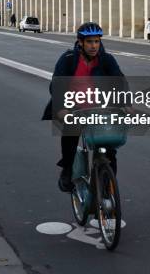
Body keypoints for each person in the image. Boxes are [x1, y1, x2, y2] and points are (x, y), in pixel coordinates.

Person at [42, 22, 126, 193]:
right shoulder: (68, 59)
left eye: (97, 41)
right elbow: (57, 85)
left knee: (109, 148)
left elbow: (119, 81)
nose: (94, 46)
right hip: (74, 107)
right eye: (89, 42)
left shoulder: (106, 59)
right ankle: (66, 170)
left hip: (100, 108)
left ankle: (108, 188)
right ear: (80, 42)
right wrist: (61, 108)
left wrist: (126, 104)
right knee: (70, 136)